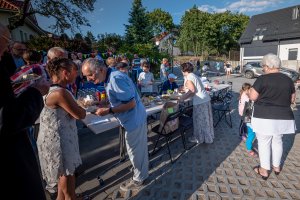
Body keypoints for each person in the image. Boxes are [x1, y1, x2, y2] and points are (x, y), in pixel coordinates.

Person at [82, 58, 149, 191]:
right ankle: (141, 170)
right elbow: (120, 98)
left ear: (100, 70)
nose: (88, 79)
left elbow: (131, 103)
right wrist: (103, 103)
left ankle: (139, 178)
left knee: (135, 151)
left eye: (90, 75)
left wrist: (109, 110)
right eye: (86, 76)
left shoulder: (115, 78)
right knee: (138, 149)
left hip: (133, 120)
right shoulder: (111, 75)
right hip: (133, 119)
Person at [0, 23, 48, 200]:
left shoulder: (25, 68)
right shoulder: (32, 69)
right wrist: (35, 92)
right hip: (11, 158)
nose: (9, 47)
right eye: (8, 41)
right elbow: (7, 117)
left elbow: (12, 85)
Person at [37, 57, 86, 199]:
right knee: (68, 184)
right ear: (65, 72)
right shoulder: (60, 93)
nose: (76, 75)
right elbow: (79, 114)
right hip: (59, 142)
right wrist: (81, 108)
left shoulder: (48, 87)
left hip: (53, 136)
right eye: (75, 71)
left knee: (61, 184)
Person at [249, 53, 296, 180]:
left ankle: (264, 170)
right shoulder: (288, 80)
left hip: (264, 117)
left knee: (264, 143)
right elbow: (292, 99)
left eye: (263, 66)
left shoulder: (262, 79)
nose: (263, 68)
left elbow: (253, 97)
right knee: (278, 140)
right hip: (283, 117)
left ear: (269, 66)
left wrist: (249, 91)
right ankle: (276, 167)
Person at [179, 62, 214, 144]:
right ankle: (207, 137)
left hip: (200, 102)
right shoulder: (193, 75)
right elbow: (194, 88)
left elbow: (192, 90)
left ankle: (199, 138)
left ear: (184, 70)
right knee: (205, 121)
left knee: (199, 121)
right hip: (205, 99)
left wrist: (182, 98)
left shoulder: (188, 77)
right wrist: (184, 90)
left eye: (181, 69)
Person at [238, 83, 257, 157]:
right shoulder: (245, 96)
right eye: (250, 89)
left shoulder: (244, 94)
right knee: (243, 124)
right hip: (245, 114)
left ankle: (245, 134)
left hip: (245, 113)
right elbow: (250, 104)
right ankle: (241, 134)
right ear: (247, 89)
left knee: (245, 125)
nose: (251, 91)